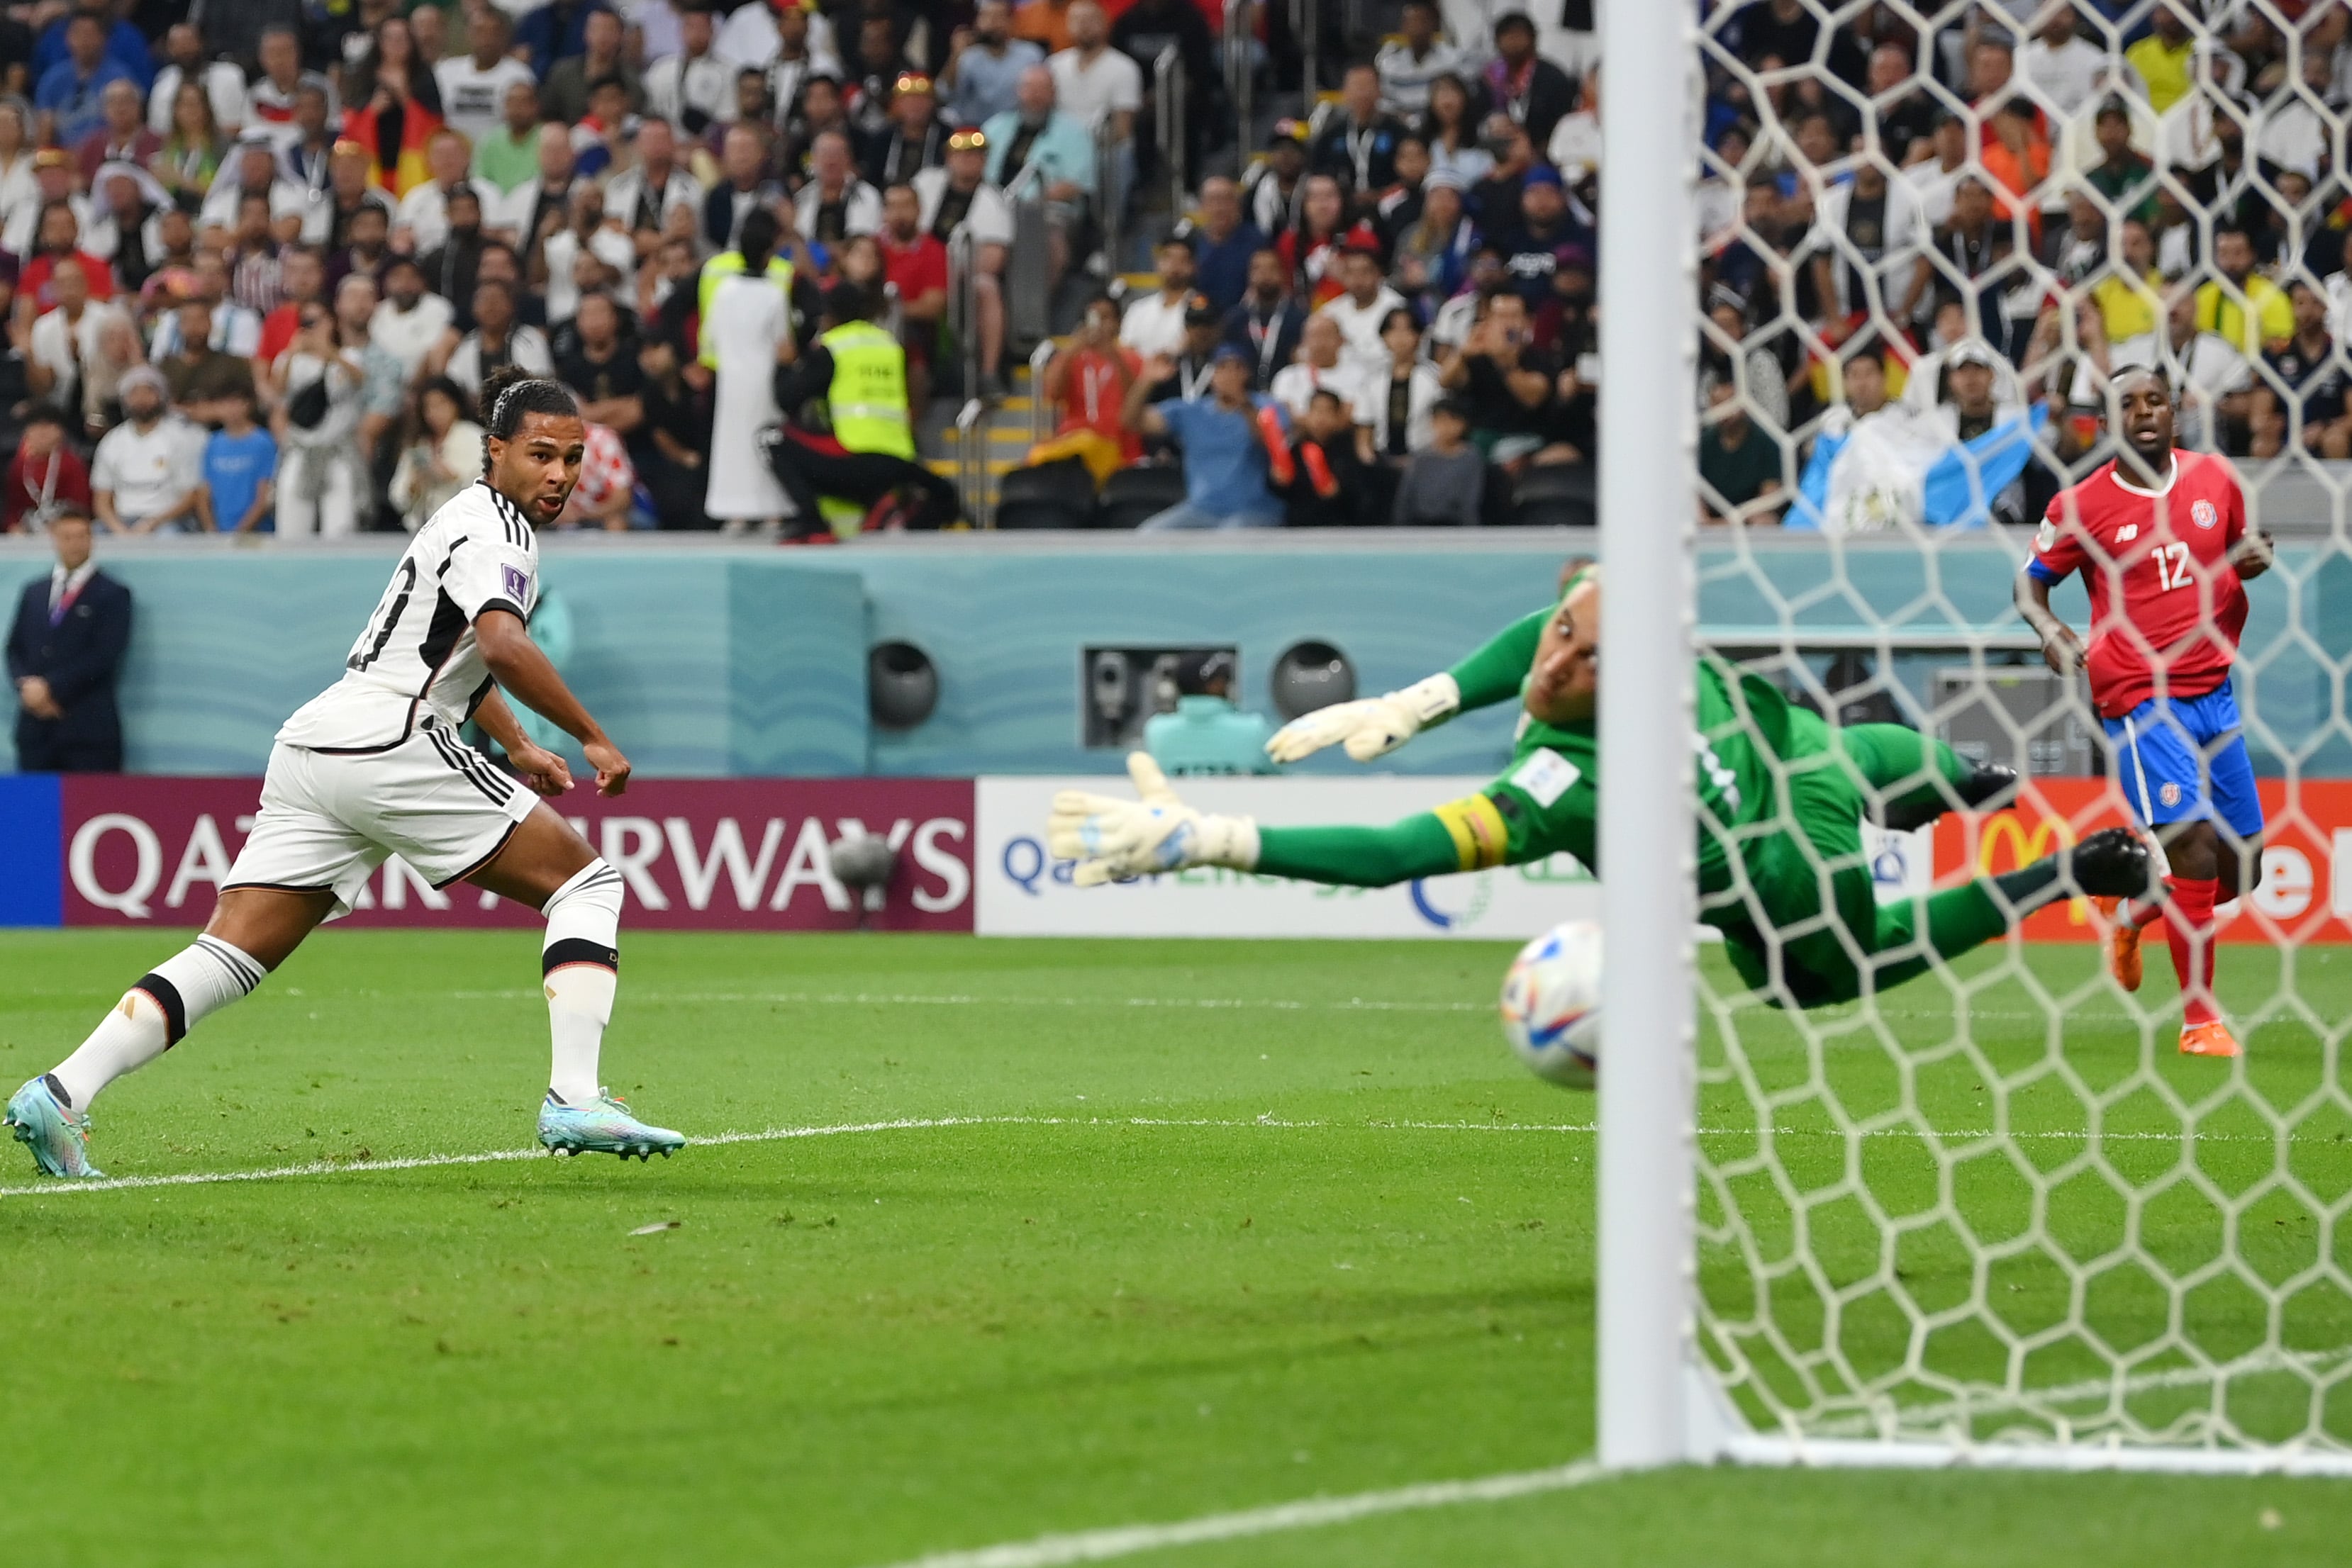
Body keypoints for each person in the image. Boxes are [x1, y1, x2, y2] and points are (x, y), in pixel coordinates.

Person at [5, 368, 684, 1181]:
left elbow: (455, 654)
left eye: (573, 459)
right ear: (493, 451)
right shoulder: (498, 530)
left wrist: (522, 746)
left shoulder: (463, 519)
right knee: (587, 885)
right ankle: (574, 1093)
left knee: (231, 952)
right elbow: (500, 645)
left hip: (319, 741)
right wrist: (592, 738)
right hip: (393, 741)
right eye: (541, 455)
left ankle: (62, 1090)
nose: (560, 475)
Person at [1049, 569, 2150, 1014]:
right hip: (1785, 733)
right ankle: (1952, 775)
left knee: (1809, 984)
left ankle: (2060, 870)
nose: (1558, 665)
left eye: (1587, 663)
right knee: (1850, 752)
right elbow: (1560, 619)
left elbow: (1393, 856)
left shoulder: (1566, 791)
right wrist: (1419, 702)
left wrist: (1214, 838)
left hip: (1793, 866)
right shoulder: (1617, 636)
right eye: (1568, 639)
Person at [2017, 365, 2275, 1060]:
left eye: (2153, 400)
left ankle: (2131, 907)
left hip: (2211, 688)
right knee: (2190, 844)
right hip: (2135, 693)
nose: (2142, 413)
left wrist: (2251, 556)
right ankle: (2199, 1022)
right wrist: (2048, 630)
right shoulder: (2081, 504)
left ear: (2175, 409)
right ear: (2106, 420)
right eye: (2125, 404)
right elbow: (2029, 582)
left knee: (2241, 867)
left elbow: (2236, 549)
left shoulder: (2214, 480)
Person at [762, 281, 962, 537]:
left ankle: (813, 524)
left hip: (854, 455)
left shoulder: (833, 346)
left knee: (770, 438)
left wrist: (785, 365)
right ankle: (884, 507)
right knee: (943, 494)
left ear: (830, 315)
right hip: (899, 458)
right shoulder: (888, 345)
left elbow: (787, 398)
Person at [6, 506, 130, 773]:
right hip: (36, 733)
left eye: (82, 536)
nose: (75, 544)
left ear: (91, 539)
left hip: (87, 732)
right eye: (67, 537)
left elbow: (104, 655)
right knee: (35, 811)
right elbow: (15, 648)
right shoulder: (35, 592)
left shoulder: (112, 594)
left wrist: (50, 688)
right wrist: (28, 689)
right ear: (54, 539)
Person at [1121, 345, 1286, 531]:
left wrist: (1243, 403)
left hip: (1254, 509)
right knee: (1148, 535)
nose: (1229, 374)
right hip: (1202, 509)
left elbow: (1271, 445)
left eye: (1237, 368)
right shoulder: (1192, 411)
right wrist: (1147, 380)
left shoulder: (1266, 406)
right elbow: (1132, 421)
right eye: (1222, 367)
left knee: (1227, 543)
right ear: (1213, 375)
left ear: (1247, 374)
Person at [703, 208, 798, 531]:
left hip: (732, 378)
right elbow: (784, 346)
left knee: (732, 441)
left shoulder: (724, 292)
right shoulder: (774, 293)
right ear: (769, 254)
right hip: (764, 378)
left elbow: (712, 339)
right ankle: (772, 511)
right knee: (765, 440)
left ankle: (735, 513)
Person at [1027, 292, 1140, 483]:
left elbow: (1136, 399)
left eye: (1106, 318)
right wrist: (1071, 351)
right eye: (1094, 318)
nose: (1100, 325)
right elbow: (1054, 394)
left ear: (1118, 323)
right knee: (1037, 457)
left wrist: (1113, 356)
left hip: (1116, 443)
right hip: (1073, 443)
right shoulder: (1072, 359)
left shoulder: (1131, 358)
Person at [91, 367, 200, 534]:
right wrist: (119, 529)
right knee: (94, 534)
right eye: (134, 394)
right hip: (122, 519)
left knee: (169, 536)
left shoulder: (180, 438)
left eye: (148, 392)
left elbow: (191, 496)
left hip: (167, 520)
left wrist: (152, 523)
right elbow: (101, 500)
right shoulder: (112, 441)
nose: (141, 399)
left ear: (161, 397)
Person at [1144, 651, 1276, 777]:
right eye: (1224, 678)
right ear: (1216, 685)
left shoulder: (1156, 732)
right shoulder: (1255, 730)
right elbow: (1280, 780)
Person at [390, 376, 487, 530]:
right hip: (422, 530)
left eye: (441, 404)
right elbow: (397, 497)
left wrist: (452, 477)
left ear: (456, 405)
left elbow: (487, 489)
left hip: (464, 529)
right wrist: (414, 487)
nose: (434, 413)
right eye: (429, 407)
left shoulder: (475, 438)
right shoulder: (419, 444)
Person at [940, 0, 1042, 129]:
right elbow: (946, 94)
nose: (993, 23)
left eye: (999, 17)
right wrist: (956, 56)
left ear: (1011, 21)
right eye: (986, 16)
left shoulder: (1030, 55)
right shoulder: (969, 57)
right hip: (974, 131)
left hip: (1016, 129)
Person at [1222, 247, 1308, 391]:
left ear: (1283, 274)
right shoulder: (1235, 319)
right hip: (1244, 396)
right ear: (1249, 275)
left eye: (1272, 269)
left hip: (1285, 395)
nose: (1265, 275)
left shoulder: (1299, 319)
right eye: (1258, 270)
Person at [194, 386, 277, 534]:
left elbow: (264, 496)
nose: (230, 409)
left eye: (235, 403)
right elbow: (205, 491)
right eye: (224, 403)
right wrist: (210, 528)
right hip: (219, 531)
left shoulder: (263, 442)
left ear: (247, 405)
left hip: (256, 532)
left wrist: (241, 531)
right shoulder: (213, 443)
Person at [1391, 394, 1482, 525]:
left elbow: (1471, 502)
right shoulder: (1421, 458)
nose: (1446, 427)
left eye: (1452, 420)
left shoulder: (1471, 458)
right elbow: (1404, 500)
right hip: (1419, 526)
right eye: (1441, 420)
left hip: (1454, 526)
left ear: (1463, 424)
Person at [5, 407, 94, 534]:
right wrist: (14, 528)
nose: (43, 433)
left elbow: (80, 505)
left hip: (65, 526)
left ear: (61, 432)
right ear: (26, 433)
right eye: (37, 427)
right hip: (28, 527)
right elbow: (13, 508)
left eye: (48, 426)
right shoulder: (19, 467)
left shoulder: (72, 464)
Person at [1120, 236, 1198, 359]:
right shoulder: (1138, 309)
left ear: (1193, 266)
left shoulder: (1199, 308)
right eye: (1169, 258)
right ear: (1158, 263)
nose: (1175, 265)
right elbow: (1126, 349)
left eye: (1182, 260)